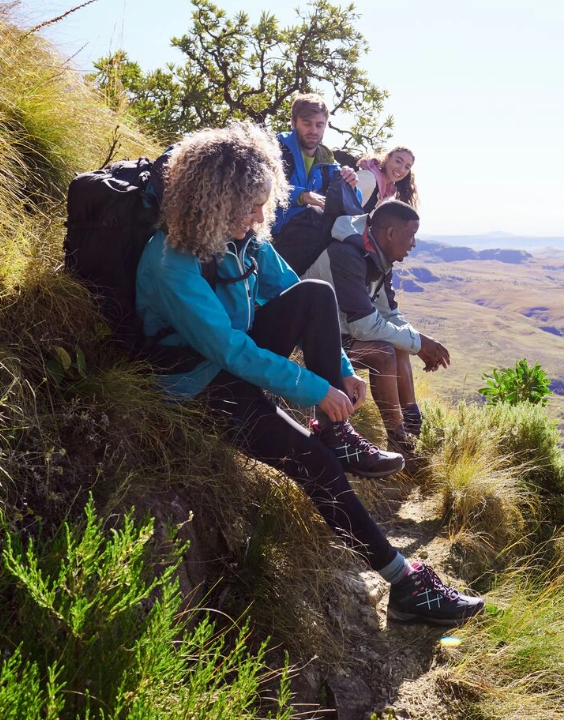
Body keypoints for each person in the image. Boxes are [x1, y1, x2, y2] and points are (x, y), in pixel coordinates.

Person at [135, 122, 483, 626]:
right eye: (250, 206)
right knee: (316, 465)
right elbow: (228, 350)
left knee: (317, 293)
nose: (261, 217)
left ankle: (336, 434)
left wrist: (341, 371)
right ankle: (405, 583)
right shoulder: (172, 263)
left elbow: (292, 289)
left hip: (234, 361)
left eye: (263, 204)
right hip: (197, 385)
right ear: (212, 201)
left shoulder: (241, 238)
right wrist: (316, 389)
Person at [303, 200, 450, 462]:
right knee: (383, 353)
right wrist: (420, 343)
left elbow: (389, 312)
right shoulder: (347, 255)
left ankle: (413, 425)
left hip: (339, 332)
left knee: (398, 344)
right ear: (391, 233)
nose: (414, 244)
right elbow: (363, 325)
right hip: (309, 341)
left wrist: (417, 343)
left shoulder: (377, 255)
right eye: (411, 235)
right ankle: (399, 440)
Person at [270, 93, 360, 275]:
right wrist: (302, 196)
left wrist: (351, 185)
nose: (314, 130)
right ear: (293, 122)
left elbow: (354, 204)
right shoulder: (274, 150)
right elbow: (262, 188)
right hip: (273, 238)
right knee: (315, 215)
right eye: (307, 123)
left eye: (319, 125)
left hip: (308, 242)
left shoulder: (328, 163)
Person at [356, 146, 418, 214]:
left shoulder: (385, 193)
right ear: (387, 158)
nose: (401, 169)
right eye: (398, 161)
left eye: (407, 167)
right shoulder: (369, 178)